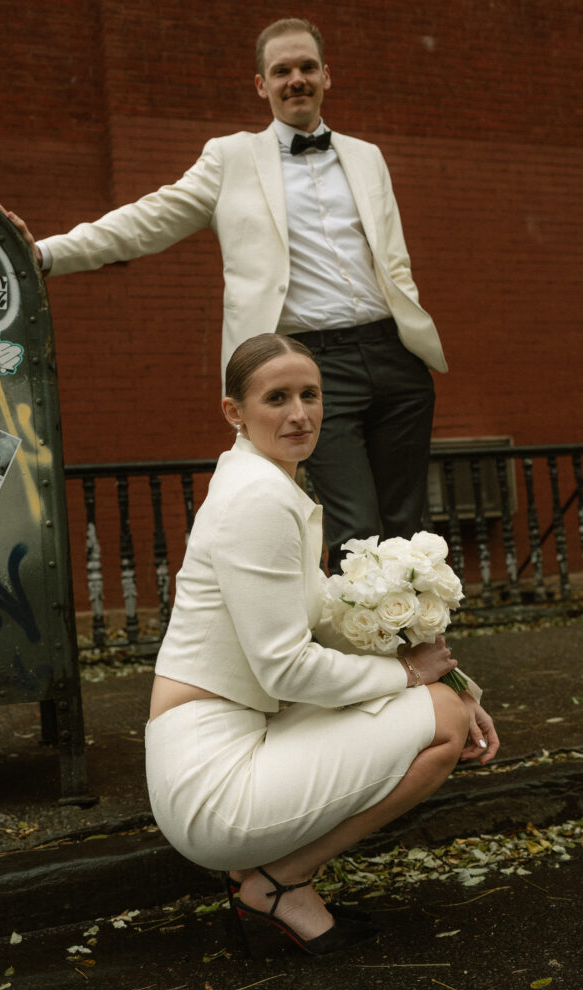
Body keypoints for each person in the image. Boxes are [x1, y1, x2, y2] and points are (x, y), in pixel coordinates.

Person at [0, 17, 447, 573]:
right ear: (262, 85)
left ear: (327, 76)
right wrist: (45, 254)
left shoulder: (367, 156)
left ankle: (423, 659)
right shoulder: (230, 159)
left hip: (395, 358)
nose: (296, 79)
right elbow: (146, 221)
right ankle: (367, 660)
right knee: (357, 533)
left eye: (307, 67)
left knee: (411, 532)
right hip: (312, 368)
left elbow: (392, 258)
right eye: (281, 71)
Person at [145, 333, 499, 956]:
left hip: (243, 730)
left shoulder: (267, 483)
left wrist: (453, 680)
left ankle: (267, 877)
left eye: (309, 395)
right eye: (276, 398)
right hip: (210, 781)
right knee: (442, 726)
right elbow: (285, 667)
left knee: (446, 704)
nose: (299, 413)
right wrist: (415, 681)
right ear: (235, 412)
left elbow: (327, 626)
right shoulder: (257, 499)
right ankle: (279, 883)